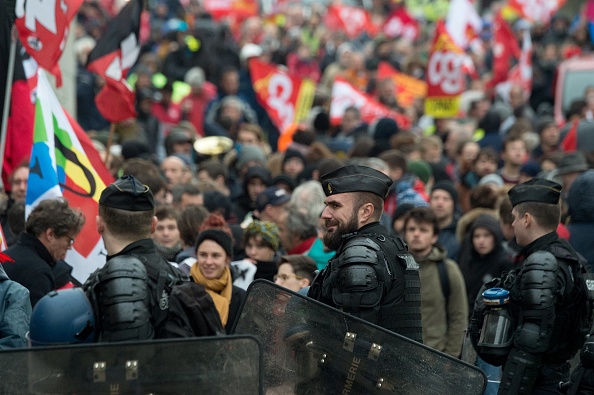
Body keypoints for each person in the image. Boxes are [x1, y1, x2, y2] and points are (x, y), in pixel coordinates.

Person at [486, 179, 590, 394]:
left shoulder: (543, 263)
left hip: (537, 382)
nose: (512, 224)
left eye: (514, 218)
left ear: (526, 219)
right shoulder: (571, 258)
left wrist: (511, 388)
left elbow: (530, 343)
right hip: (558, 375)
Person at [308, 165, 423, 341]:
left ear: (365, 212)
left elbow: (354, 341)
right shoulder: (390, 245)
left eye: (335, 205)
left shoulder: (361, 254)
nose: (324, 214)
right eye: (326, 205)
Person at [83, 175, 183, 341]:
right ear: (154, 225)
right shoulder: (177, 274)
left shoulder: (120, 276)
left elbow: (127, 361)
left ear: (99, 224)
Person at [402, 207, 468, 357]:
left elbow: (459, 317)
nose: (416, 234)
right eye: (412, 229)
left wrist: (448, 359)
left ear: (434, 236)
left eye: (423, 230)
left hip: (435, 357)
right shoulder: (394, 267)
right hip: (399, 356)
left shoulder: (449, 270)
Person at [3, 199, 85, 307]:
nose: (69, 247)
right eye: (69, 240)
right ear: (50, 234)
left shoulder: (6, 255)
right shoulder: (40, 273)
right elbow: (36, 322)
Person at [192, 229, 246, 333]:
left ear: (227, 259)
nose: (208, 262)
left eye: (216, 256)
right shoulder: (183, 292)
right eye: (203, 255)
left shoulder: (240, 297)